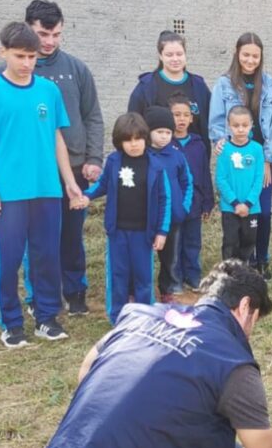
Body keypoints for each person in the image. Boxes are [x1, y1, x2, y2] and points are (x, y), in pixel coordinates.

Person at [36, 259, 272, 448]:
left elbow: (87, 369)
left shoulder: (139, 316)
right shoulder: (232, 362)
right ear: (245, 308)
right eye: (255, 321)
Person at [0, 21, 85, 348]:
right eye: (20, 56)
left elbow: (57, 138)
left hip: (47, 189)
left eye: (32, 57)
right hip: (8, 193)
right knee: (8, 259)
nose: (27, 63)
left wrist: (69, 183)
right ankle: (11, 322)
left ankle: (47, 318)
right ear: (2, 51)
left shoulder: (49, 91)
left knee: (47, 255)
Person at [20, 0, 105, 317]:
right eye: (43, 34)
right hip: (34, 172)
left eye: (56, 34)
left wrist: (94, 157)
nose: (49, 42)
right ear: (28, 27)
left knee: (71, 236)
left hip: (75, 168)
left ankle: (76, 292)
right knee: (38, 237)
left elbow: (92, 116)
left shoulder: (76, 69)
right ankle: (38, 295)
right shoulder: (14, 72)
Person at [78, 112, 170, 324]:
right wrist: (87, 196)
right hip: (117, 232)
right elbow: (102, 185)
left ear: (145, 139)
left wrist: (162, 232)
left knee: (143, 277)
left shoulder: (155, 166)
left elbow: (165, 199)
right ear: (119, 142)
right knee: (118, 276)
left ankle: (145, 318)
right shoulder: (114, 161)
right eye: (127, 140)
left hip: (144, 234)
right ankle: (118, 319)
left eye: (138, 139)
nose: (133, 144)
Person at [208, 33, 272, 280]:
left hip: (259, 157)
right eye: (246, 55)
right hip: (235, 155)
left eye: (255, 55)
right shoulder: (224, 84)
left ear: (261, 57)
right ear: (237, 53)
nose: (250, 60)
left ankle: (261, 258)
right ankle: (241, 261)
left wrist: (269, 160)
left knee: (261, 211)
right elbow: (217, 120)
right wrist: (221, 142)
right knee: (236, 207)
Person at [128, 31, 212, 147]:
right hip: (158, 158)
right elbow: (133, 123)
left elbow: (211, 120)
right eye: (169, 55)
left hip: (193, 156)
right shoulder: (146, 86)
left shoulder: (199, 86)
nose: (175, 59)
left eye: (179, 54)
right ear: (160, 56)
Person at [145, 106, 193, 301]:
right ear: (148, 132)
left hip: (173, 216)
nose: (164, 136)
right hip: (147, 218)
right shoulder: (143, 156)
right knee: (144, 257)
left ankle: (169, 288)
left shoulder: (176, 155)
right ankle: (143, 290)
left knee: (170, 257)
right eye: (159, 132)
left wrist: (184, 206)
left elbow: (187, 181)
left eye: (168, 132)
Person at [170, 95, 214, 291]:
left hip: (195, 203)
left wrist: (207, 202)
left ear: (191, 119)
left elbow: (205, 174)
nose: (181, 119)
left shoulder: (198, 144)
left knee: (192, 242)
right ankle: (175, 279)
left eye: (185, 115)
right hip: (173, 204)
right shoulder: (165, 144)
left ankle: (193, 276)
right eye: (176, 115)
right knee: (175, 243)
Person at [215, 107, 266, 263]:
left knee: (249, 240)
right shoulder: (224, 150)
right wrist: (236, 203)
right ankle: (228, 272)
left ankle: (243, 271)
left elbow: (259, 179)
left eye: (245, 125)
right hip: (230, 207)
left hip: (252, 207)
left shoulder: (257, 149)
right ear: (229, 126)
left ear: (251, 125)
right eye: (236, 125)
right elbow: (220, 179)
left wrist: (248, 203)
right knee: (230, 241)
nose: (240, 129)